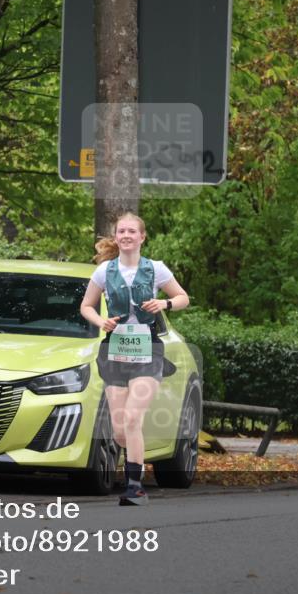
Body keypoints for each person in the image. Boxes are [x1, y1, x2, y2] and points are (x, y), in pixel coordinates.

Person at [80, 212, 190, 505]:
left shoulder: (156, 269)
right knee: (119, 429)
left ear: (142, 237)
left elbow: (183, 297)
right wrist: (100, 322)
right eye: (121, 231)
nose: (126, 235)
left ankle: (134, 487)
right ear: (116, 237)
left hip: (147, 350)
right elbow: (86, 306)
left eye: (132, 231)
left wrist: (164, 303)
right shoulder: (104, 272)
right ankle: (134, 459)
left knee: (132, 418)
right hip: (114, 350)